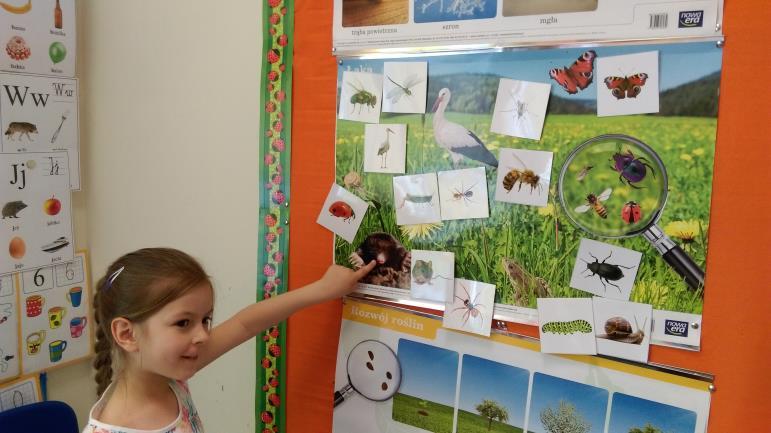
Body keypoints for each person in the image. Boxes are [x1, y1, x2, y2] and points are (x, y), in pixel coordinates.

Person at [82, 247, 375, 433]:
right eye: (183, 323)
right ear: (126, 334)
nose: (202, 335)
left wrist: (322, 290)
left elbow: (245, 323)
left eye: (205, 320)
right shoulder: (115, 426)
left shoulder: (168, 377)